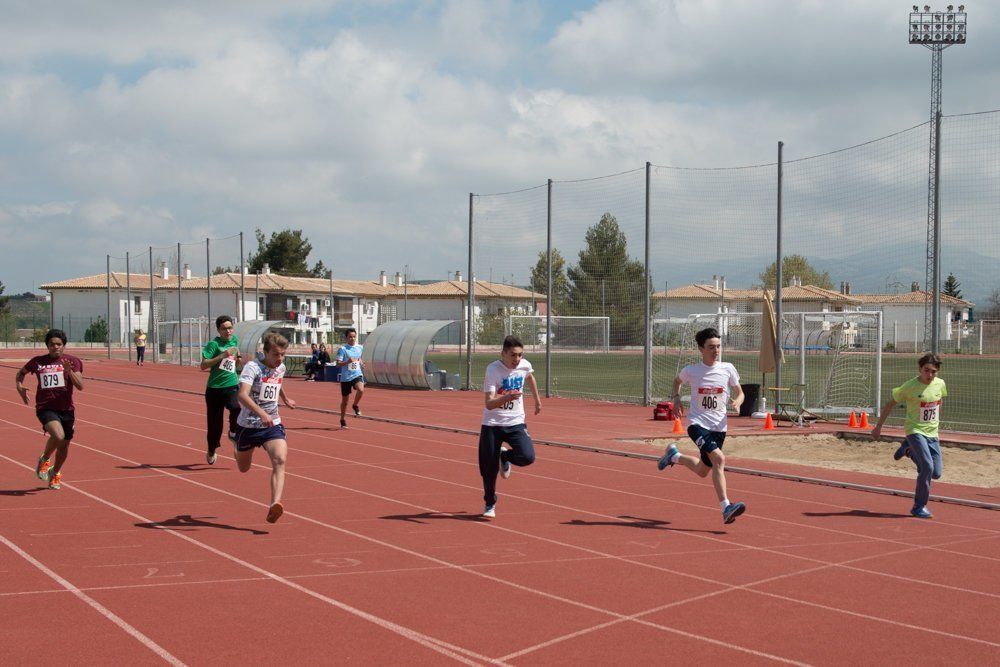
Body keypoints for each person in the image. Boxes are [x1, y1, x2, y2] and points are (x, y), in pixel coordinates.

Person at [657, 327, 746, 524]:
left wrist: (738, 401)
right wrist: (677, 399)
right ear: (701, 349)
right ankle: (726, 507)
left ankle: (674, 456)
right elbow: (676, 382)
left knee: (703, 471)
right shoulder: (692, 371)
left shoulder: (728, 368)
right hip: (697, 424)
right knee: (719, 459)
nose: (716, 351)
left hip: (719, 428)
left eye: (718, 347)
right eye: (711, 347)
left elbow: (740, 392)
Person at [872, 353, 947, 519]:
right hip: (915, 430)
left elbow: (939, 402)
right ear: (920, 369)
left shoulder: (940, 384)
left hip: (932, 434)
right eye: (926, 370)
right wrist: (878, 427)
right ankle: (919, 506)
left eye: (933, 371)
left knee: (936, 473)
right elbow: (890, 403)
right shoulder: (910, 386)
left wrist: (936, 422)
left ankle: (907, 450)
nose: (930, 375)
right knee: (926, 467)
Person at [235, 332, 296, 523]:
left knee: (280, 459)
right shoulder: (252, 368)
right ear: (265, 352)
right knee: (243, 468)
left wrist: (285, 398)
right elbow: (242, 395)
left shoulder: (281, 367)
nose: (280, 359)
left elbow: (277, 382)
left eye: (283, 355)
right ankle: (236, 448)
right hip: (248, 425)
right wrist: (261, 413)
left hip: (272, 424)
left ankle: (274, 504)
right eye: (276, 355)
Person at [478, 335, 541, 518]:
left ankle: (504, 456)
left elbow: (529, 377)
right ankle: (490, 503)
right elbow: (489, 403)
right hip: (492, 424)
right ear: (504, 353)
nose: (517, 359)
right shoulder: (493, 370)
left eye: (520, 355)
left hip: (515, 422)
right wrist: (506, 397)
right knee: (488, 469)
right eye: (513, 355)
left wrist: (537, 400)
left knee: (527, 456)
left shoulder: (524, 365)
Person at [14, 329, 84, 490]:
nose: (55, 347)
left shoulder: (73, 362)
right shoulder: (38, 362)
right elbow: (20, 374)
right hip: (45, 407)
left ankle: (55, 473)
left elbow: (80, 386)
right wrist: (19, 387)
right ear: (47, 345)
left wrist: (69, 371)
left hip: (66, 409)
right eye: (52, 344)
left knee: (65, 445)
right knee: (58, 436)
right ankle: (45, 459)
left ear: (64, 346)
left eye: (59, 344)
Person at [200, 315, 242, 465]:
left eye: (230, 328)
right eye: (224, 328)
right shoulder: (213, 344)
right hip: (214, 389)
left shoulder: (235, 341)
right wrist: (222, 355)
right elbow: (203, 365)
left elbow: (235, 362)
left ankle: (233, 432)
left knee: (236, 408)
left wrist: (238, 360)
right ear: (218, 330)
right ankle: (211, 449)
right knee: (215, 426)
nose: (228, 331)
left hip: (231, 384)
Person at [335, 328, 365, 428]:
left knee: (361, 389)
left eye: (354, 336)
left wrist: (361, 362)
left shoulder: (360, 347)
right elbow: (337, 364)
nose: (352, 338)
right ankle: (342, 419)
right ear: (346, 338)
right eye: (350, 337)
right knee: (345, 401)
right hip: (346, 378)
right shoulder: (343, 349)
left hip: (357, 374)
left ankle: (355, 405)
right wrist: (347, 362)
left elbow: (359, 357)